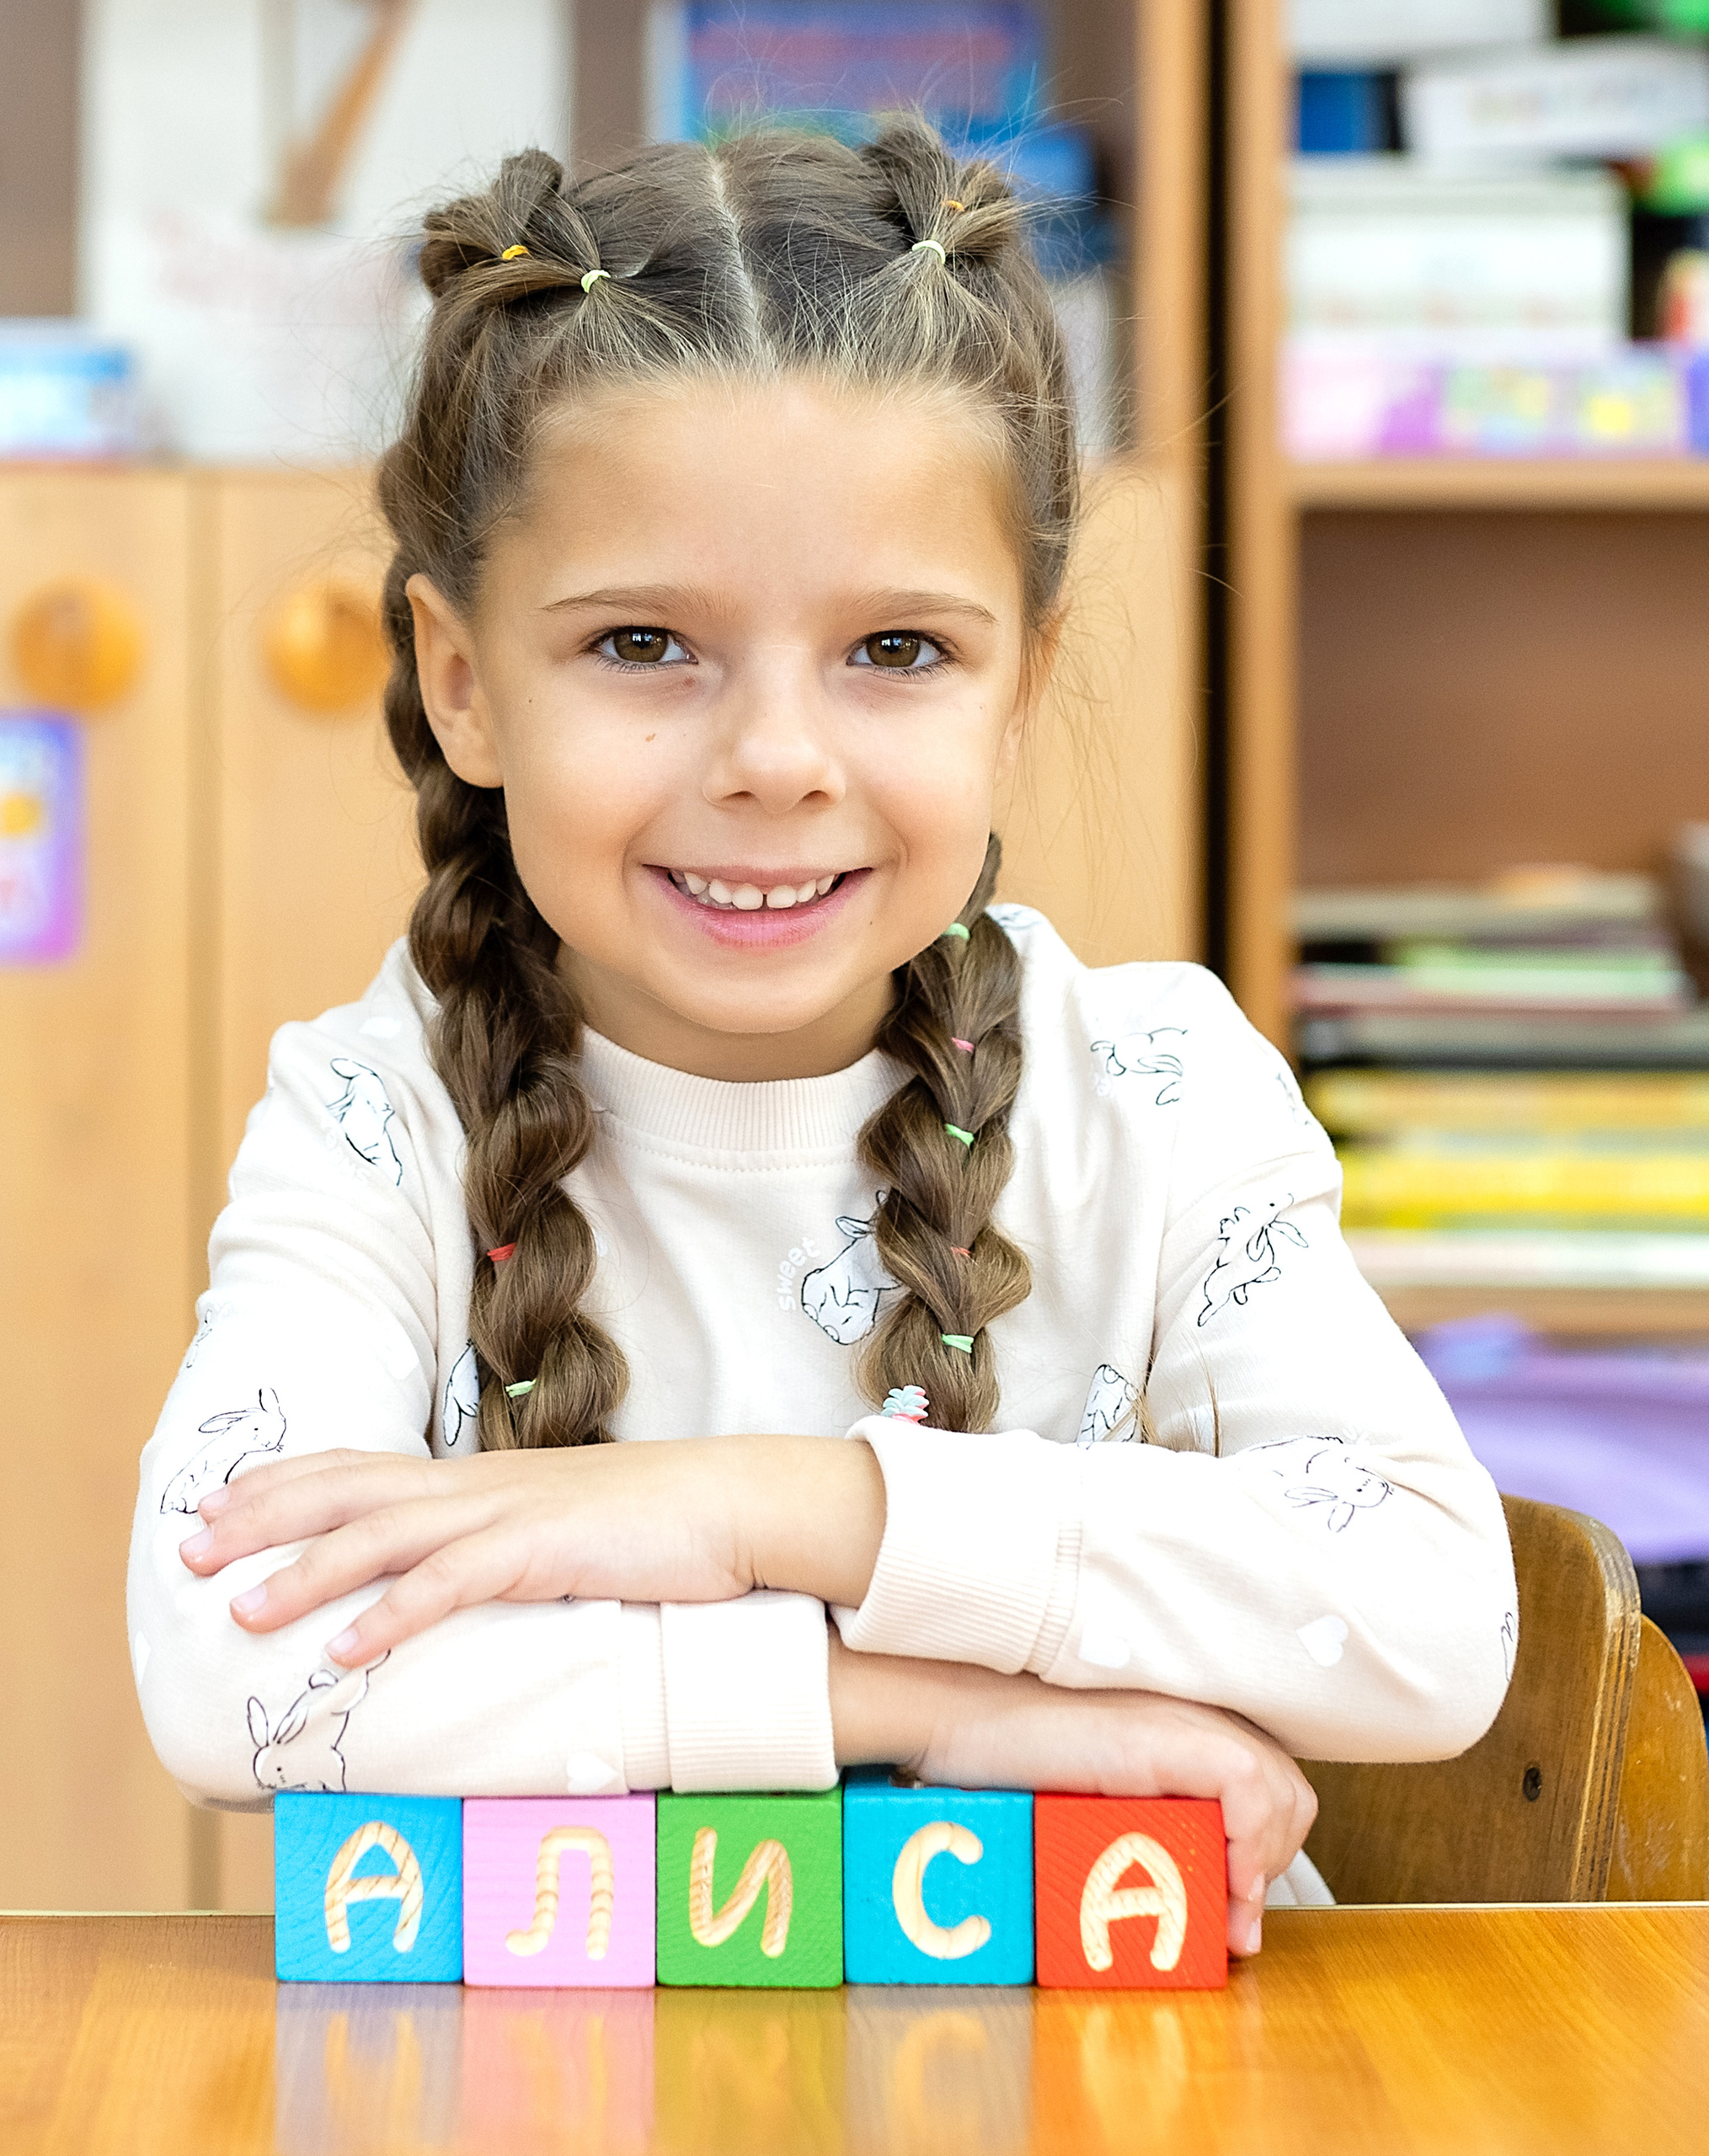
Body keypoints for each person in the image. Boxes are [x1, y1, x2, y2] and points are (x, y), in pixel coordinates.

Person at [128, 121, 1516, 1959]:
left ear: (1021, 677)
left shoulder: (1157, 1092)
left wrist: (760, 1508)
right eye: (640, 641)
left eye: (894, 650)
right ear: (461, 681)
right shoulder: (376, 1115)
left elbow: (1430, 1617)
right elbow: (239, 1668)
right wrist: (929, 1706)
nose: (775, 758)